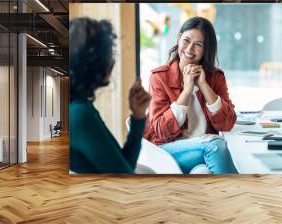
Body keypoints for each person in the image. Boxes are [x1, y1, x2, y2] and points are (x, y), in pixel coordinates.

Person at [144, 17, 238, 174]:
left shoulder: (215, 78)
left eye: (198, 45)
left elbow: (226, 124)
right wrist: (187, 91)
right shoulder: (159, 77)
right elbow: (161, 130)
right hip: (167, 151)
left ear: (206, 49)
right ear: (179, 38)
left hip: (200, 152)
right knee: (215, 145)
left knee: (202, 172)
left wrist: (203, 85)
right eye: (186, 40)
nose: (189, 49)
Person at [69, 18, 151, 173]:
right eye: (109, 53)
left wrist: (138, 116)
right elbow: (125, 175)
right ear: (95, 62)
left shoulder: (80, 107)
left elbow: (124, 164)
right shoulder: (80, 114)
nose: (113, 60)